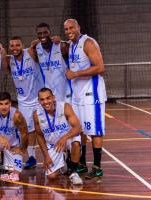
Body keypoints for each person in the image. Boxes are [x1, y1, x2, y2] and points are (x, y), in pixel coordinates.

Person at [64, 19, 107, 179]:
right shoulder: (71, 44)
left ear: (78, 27)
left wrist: (75, 74)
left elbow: (100, 67)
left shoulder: (87, 43)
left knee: (95, 131)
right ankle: (81, 163)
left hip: (92, 94)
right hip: (77, 95)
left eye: (72, 28)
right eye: (66, 29)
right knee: (79, 129)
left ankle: (97, 167)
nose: (69, 31)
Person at [33, 88, 83, 185]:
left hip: (67, 139)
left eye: (48, 98)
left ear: (53, 98)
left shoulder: (65, 107)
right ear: (39, 101)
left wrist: (64, 137)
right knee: (51, 177)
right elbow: (39, 136)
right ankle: (63, 163)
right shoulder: (36, 114)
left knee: (76, 143)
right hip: (52, 144)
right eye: (42, 99)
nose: (45, 102)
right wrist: (46, 156)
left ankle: (73, 172)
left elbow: (78, 127)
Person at [7, 36, 43, 169]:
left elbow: (44, 46)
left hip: (39, 99)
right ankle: (32, 157)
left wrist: (37, 42)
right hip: (23, 101)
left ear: (23, 45)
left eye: (17, 45)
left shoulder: (31, 53)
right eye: (12, 46)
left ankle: (54, 156)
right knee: (28, 130)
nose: (15, 48)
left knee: (42, 128)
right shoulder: (9, 61)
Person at [0, 92, 28, 182]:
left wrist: (22, 149)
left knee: (14, 175)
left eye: (6, 104)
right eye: (1, 104)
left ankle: (4, 165)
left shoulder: (17, 115)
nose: (4, 107)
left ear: (10, 103)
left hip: (12, 145)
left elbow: (25, 133)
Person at [30, 22, 71, 102]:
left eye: (45, 32)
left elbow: (72, 47)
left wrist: (61, 40)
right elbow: (30, 50)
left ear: (50, 33)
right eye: (40, 33)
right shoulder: (36, 49)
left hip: (65, 91)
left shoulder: (60, 46)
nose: (42, 35)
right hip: (49, 92)